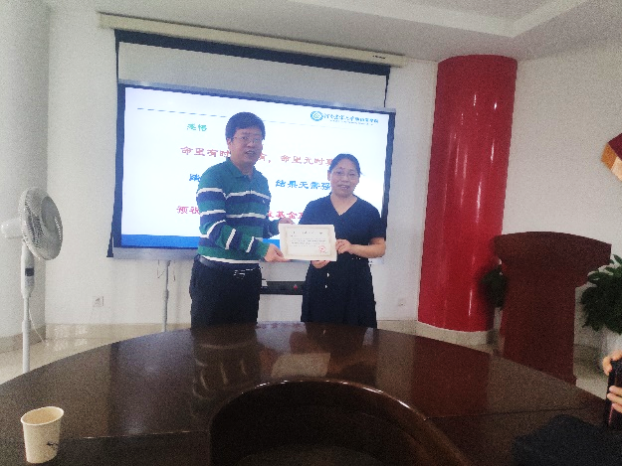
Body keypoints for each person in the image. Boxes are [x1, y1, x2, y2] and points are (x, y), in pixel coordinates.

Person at [189, 112, 292, 328]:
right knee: (208, 344)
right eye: (244, 137)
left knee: (244, 342)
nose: (251, 144)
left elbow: (256, 227)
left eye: (257, 139)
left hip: (249, 279)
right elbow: (215, 229)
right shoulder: (214, 176)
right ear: (229, 141)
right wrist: (261, 249)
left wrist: (276, 226)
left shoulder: (262, 182)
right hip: (214, 278)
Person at [299, 153, 386, 328]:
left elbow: (380, 248)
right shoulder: (314, 207)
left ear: (358, 179)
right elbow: (300, 243)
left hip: (355, 282)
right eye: (339, 172)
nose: (345, 179)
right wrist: (312, 258)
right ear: (328, 175)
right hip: (320, 280)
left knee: (354, 337)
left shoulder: (369, 211)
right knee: (315, 337)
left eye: (351, 174)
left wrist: (352, 247)